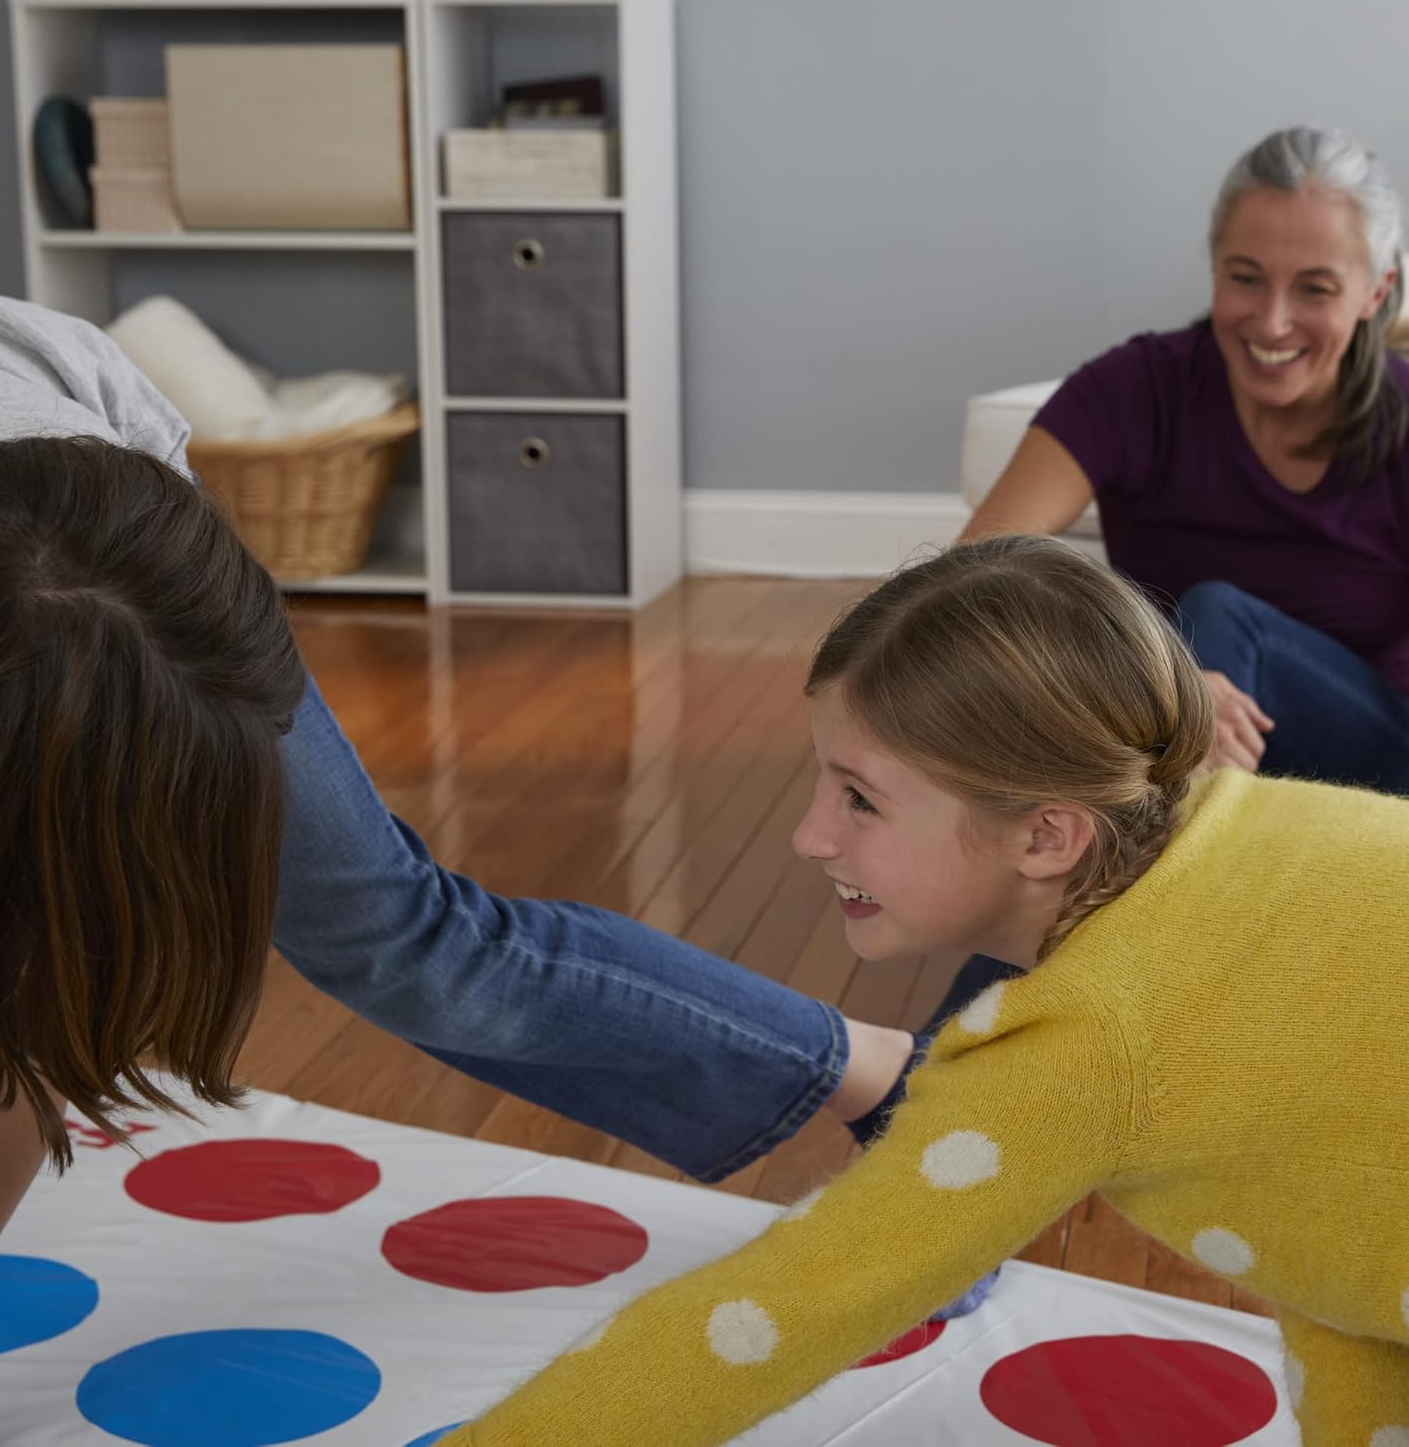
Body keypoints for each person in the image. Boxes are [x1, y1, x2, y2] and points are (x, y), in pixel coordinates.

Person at [0, 278, 963, 1430]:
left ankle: (890, 1077)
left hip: (86, 499)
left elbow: (29, 1023)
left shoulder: (134, 560)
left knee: (394, 932)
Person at [438, 533, 1409, 1446]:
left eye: (859, 798)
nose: (811, 836)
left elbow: (781, 1311)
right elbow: (1338, 1242)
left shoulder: (1079, 1047)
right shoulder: (1269, 828)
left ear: (1045, 837)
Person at [966, 125, 1409, 796]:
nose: (1272, 322)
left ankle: (1181, 883)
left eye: (1315, 289)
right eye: (1245, 278)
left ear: (1377, 293)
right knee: (1174, 655)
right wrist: (1153, 682)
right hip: (1174, 740)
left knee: (1217, 617)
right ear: (1214, 268)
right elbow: (971, 577)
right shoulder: (1135, 390)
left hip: (1376, 769)